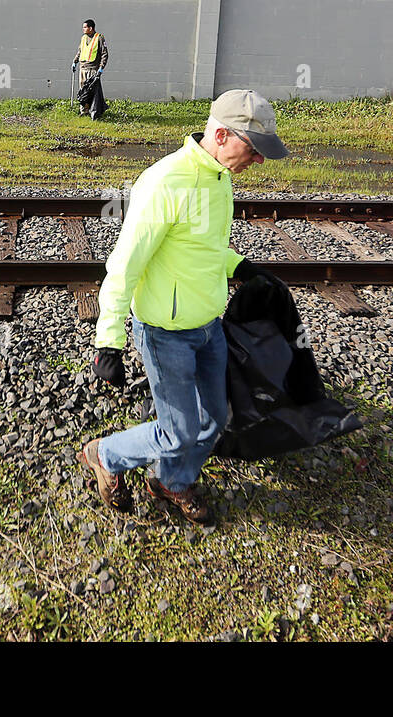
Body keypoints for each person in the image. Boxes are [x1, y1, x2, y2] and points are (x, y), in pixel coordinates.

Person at [78, 89, 289, 524]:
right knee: (178, 431)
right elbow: (124, 264)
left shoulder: (219, 177)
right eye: (254, 149)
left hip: (207, 324)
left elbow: (202, 247)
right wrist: (109, 341)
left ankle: (170, 482)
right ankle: (105, 454)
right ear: (222, 134)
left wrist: (239, 266)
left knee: (212, 421)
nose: (259, 161)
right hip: (164, 332)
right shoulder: (164, 182)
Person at [70, 19, 108, 116]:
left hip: (93, 69)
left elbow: (104, 54)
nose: (83, 29)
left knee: (92, 91)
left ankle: (94, 111)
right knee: (83, 90)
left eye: (85, 27)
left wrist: (101, 68)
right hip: (83, 68)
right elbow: (80, 51)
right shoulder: (83, 38)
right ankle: (84, 111)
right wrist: (75, 61)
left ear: (90, 28)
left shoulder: (99, 38)